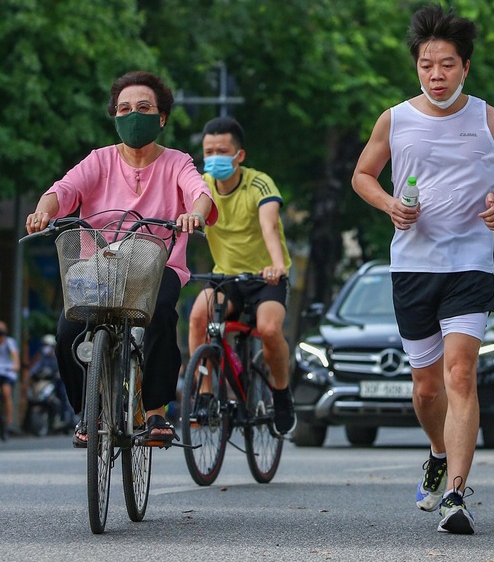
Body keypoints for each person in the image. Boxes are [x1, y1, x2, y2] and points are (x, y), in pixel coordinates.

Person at [351, 4, 494, 535]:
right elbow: (362, 175)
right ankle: (438, 451)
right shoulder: (395, 119)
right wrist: (388, 205)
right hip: (413, 267)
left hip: (469, 263)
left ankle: (456, 495)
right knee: (426, 389)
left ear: (465, 67)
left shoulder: (490, 119)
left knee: (461, 374)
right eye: (427, 65)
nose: (436, 75)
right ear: (416, 68)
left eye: (447, 64)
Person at [25, 70, 217, 449]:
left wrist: (193, 213)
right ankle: (89, 412)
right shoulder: (98, 161)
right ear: (114, 116)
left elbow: (200, 192)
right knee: (68, 329)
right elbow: (62, 190)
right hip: (100, 265)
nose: (133, 115)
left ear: (161, 117)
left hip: (157, 265)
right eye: (124, 108)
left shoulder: (177, 162)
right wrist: (42, 211)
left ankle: (158, 411)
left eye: (143, 108)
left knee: (162, 314)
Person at [187, 116, 296, 435]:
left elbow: (269, 227)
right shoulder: (202, 186)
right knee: (197, 319)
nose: (214, 157)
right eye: (208, 151)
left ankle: (281, 392)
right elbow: (189, 215)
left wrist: (277, 266)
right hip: (226, 279)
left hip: (266, 279)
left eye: (222, 150)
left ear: (240, 156)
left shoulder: (259, 183)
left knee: (269, 329)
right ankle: (206, 393)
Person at [0, 320, 21, 435]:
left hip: (8, 372)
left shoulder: (9, 342)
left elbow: (15, 357)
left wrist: (15, 366)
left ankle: (8, 421)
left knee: (6, 392)